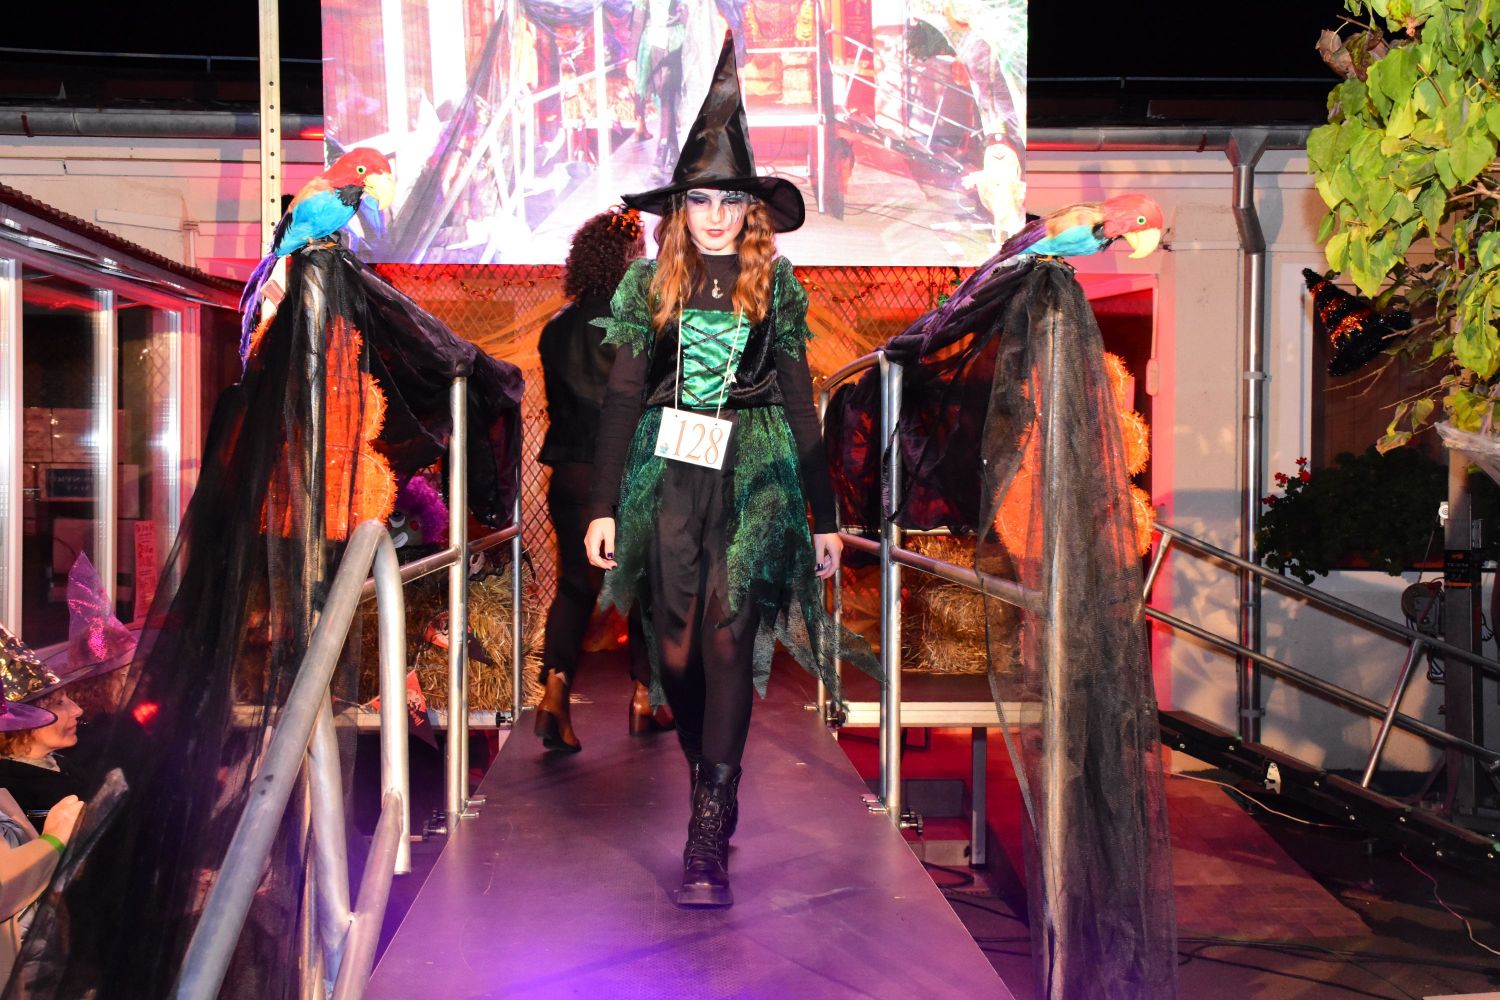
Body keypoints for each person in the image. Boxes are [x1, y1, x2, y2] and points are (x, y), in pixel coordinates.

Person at [584, 33, 873, 908]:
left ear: (752, 211)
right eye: (700, 199)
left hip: (757, 477)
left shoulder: (775, 289)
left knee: (726, 639)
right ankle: (711, 766)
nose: (714, 215)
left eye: (729, 199)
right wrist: (602, 504)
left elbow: (802, 405)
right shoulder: (648, 286)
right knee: (674, 654)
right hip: (669, 477)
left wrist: (824, 517)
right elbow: (622, 399)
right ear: (680, 208)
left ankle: (705, 832)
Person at [534, 206, 671, 752]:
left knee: (575, 586)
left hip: (571, 472)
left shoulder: (554, 329)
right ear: (628, 259)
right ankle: (644, 697)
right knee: (647, 585)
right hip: (630, 468)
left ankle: (554, 689)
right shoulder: (643, 323)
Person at [0, 555, 134, 816]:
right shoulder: (15, 791)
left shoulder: (62, 765)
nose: (77, 710)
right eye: (59, 704)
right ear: (20, 722)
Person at [0, 696, 83, 988]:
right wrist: (55, 841)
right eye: (57, 703)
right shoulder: (12, 782)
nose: (77, 709)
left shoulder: (68, 766)